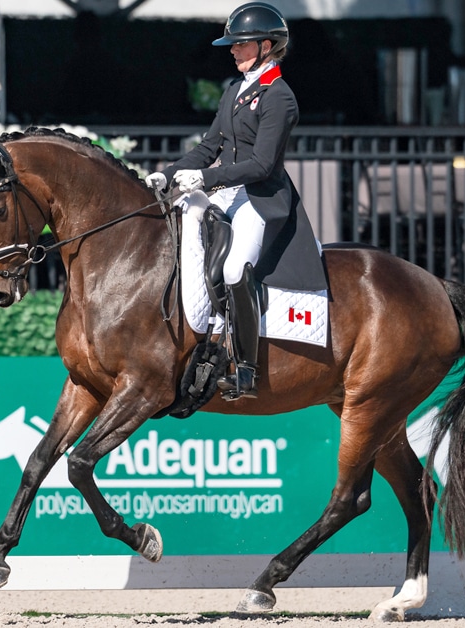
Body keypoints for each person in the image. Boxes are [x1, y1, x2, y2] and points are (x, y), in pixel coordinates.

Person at [144, 1, 327, 401]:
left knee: (233, 267)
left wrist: (205, 178)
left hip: (260, 198)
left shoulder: (280, 97)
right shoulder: (235, 90)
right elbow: (210, 145)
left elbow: (262, 164)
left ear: (266, 46)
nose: (232, 50)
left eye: (240, 44)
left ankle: (245, 368)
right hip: (226, 191)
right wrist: (171, 171)